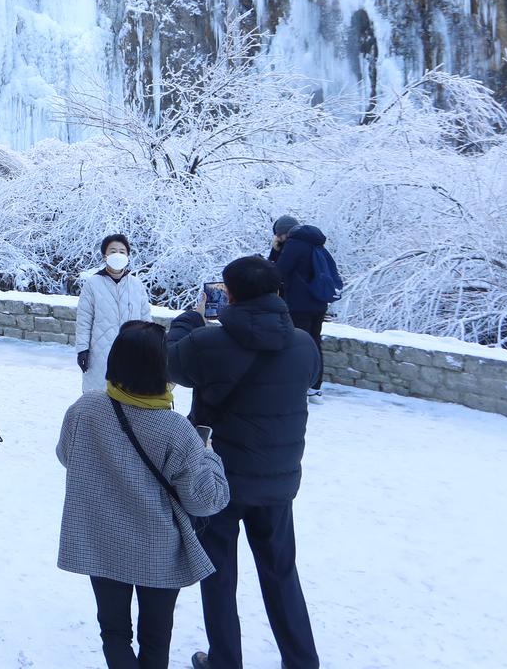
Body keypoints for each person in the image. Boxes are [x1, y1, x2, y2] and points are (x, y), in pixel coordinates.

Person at [168, 256, 321, 669]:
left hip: (219, 480)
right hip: (277, 481)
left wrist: (189, 319)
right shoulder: (304, 345)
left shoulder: (208, 344)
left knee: (218, 575)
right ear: (278, 292)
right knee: (281, 573)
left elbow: (168, 362)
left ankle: (224, 660)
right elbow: (310, 379)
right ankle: (302, 661)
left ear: (229, 294)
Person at [57, 321, 230, 669]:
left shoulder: (85, 409)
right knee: (156, 637)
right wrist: (208, 452)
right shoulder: (176, 429)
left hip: (101, 539)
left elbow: (66, 456)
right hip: (158, 548)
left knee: (114, 632)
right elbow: (206, 500)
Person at [268, 216, 338, 397]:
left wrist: (274, 253)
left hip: (299, 305)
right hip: (318, 303)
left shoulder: (294, 245)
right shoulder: (314, 243)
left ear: (283, 233)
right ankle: (315, 386)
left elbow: (277, 273)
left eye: (277, 235)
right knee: (314, 343)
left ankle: (297, 386)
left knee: (297, 345)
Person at [75, 234, 152, 393]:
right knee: (99, 396)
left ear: (128, 256)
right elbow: (84, 319)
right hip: (100, 353)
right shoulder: (93, 284)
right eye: (113, 251)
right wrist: (82, 349)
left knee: (130, 397)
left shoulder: (136, 285)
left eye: (122, 251)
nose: (118, 255)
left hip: (132, 352)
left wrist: (150, 347)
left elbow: (146, 320)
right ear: (105, 255)